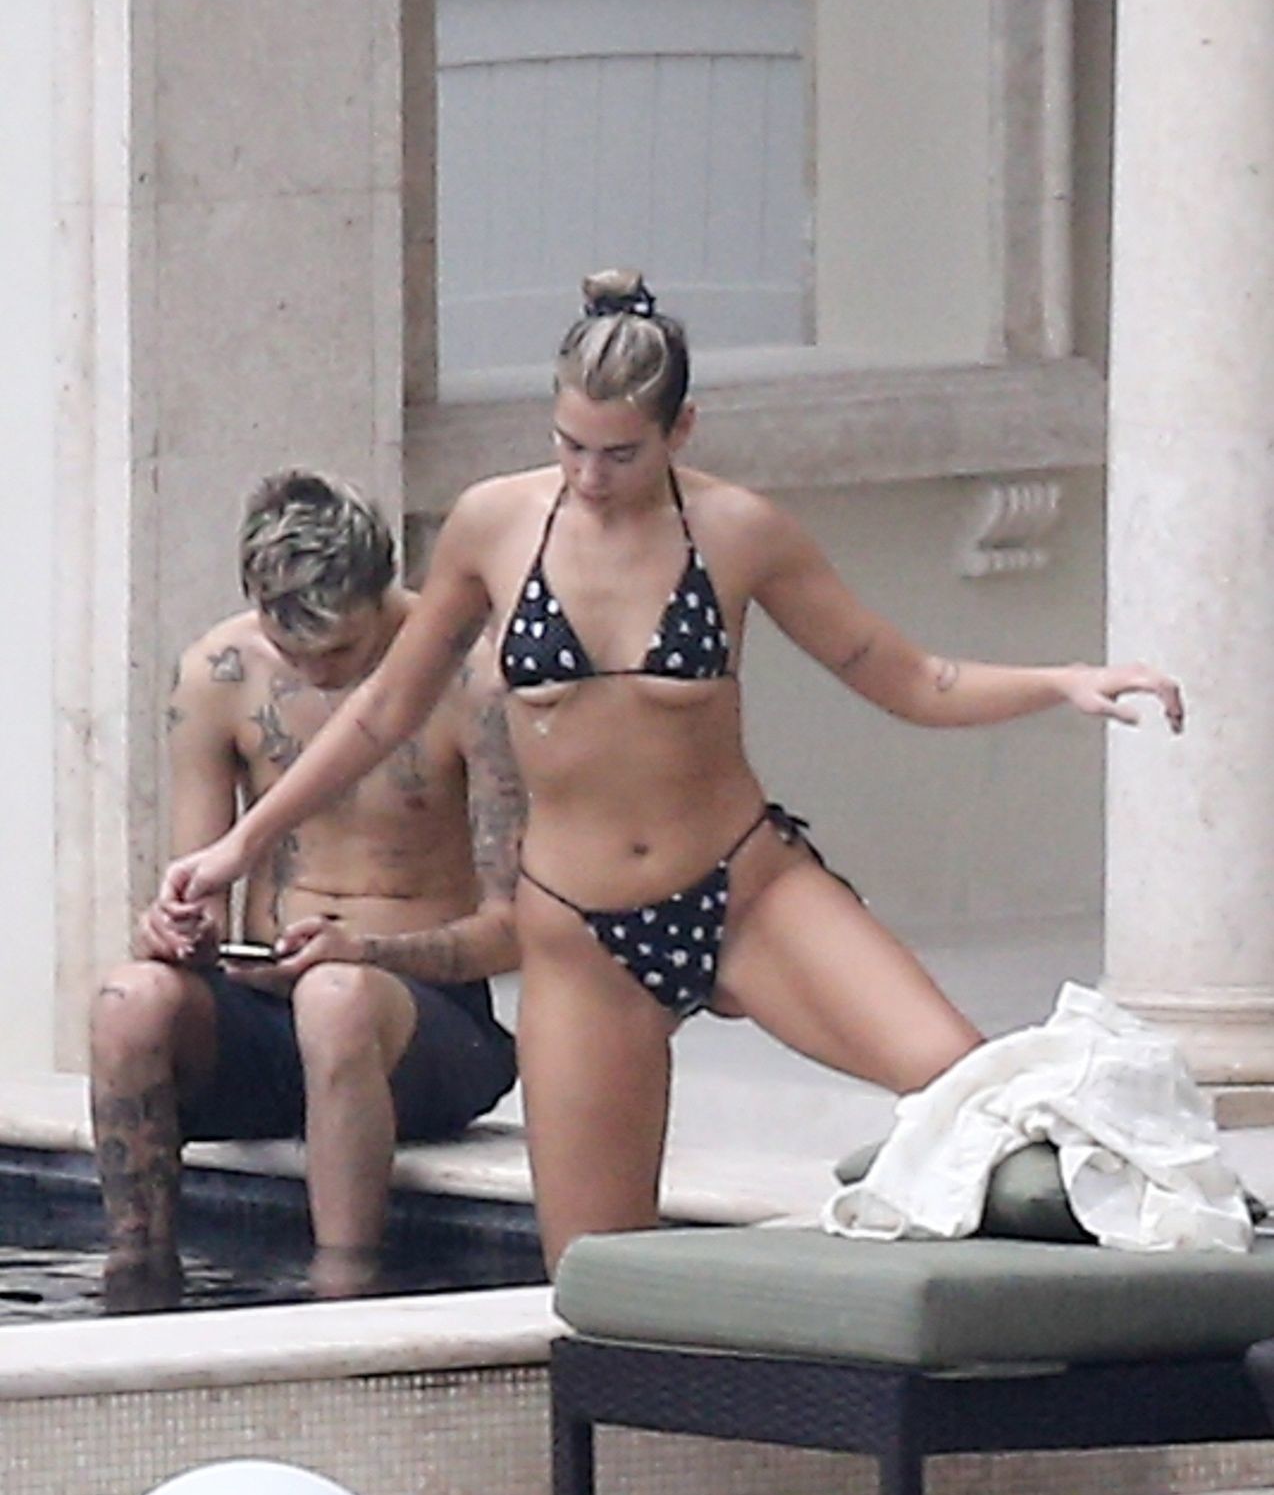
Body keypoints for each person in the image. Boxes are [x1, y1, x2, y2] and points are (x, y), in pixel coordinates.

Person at [160, 274, 1184, 1275]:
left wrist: (1062, 680)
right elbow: (383, 711)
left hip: (742, 891)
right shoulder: (493, 525)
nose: (589, 475)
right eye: (569, 445)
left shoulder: (739, 531)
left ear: (678, 430)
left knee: (977, 1095)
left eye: (619, 453)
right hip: (581, 933)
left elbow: (908, 678)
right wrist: (241, 846)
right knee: (595, 1279)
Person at [93, 470, 523, 1305]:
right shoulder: (218, 672)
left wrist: (363, 952)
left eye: (340, 652)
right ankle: (135, 1282)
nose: (317, 671)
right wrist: (177, 931)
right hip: (269, 1002)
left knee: (336, 997)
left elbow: (518, 929)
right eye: (294, 650)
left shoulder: (470, 677)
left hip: (423, 1018)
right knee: (126, 1000)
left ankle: (340, 1293)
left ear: (384, 592)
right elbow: (198, 884)